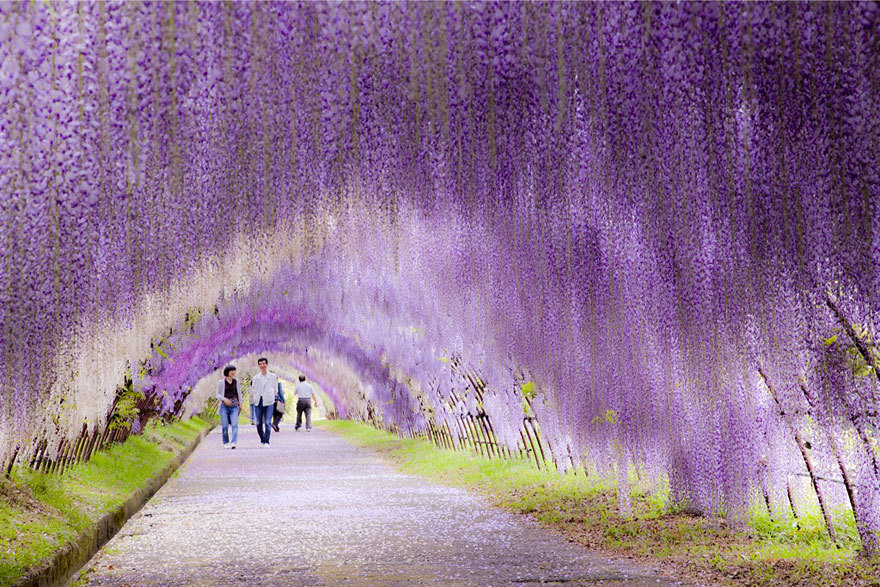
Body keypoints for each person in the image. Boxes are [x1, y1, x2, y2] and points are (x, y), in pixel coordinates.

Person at [250, 357, 277, 447]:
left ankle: (267, 441)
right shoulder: (255, 378)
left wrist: (272, 395)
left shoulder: (273, 376)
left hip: (269, 401)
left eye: (263, 364)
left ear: (267, 364)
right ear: (258, 365)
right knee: (258, 423)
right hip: (259, 401)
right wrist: (255, 397)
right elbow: (253, 389)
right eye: (260, 364)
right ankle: (262, 439)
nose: (262, 365)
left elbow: (275, 388)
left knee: (268, 422)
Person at [216, 365, 241, 449]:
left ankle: (234, 442)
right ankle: (225, 442)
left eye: (234, 370)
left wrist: (240, 404)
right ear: (227, 372)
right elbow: (217, 394)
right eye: (232, 371)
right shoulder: (221, 382)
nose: (233, 372)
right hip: (224, 407)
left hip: (234, 406)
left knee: (235, 425)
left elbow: (239, 393)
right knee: (225, 425)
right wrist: (224, 399)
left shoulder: (236, 381)